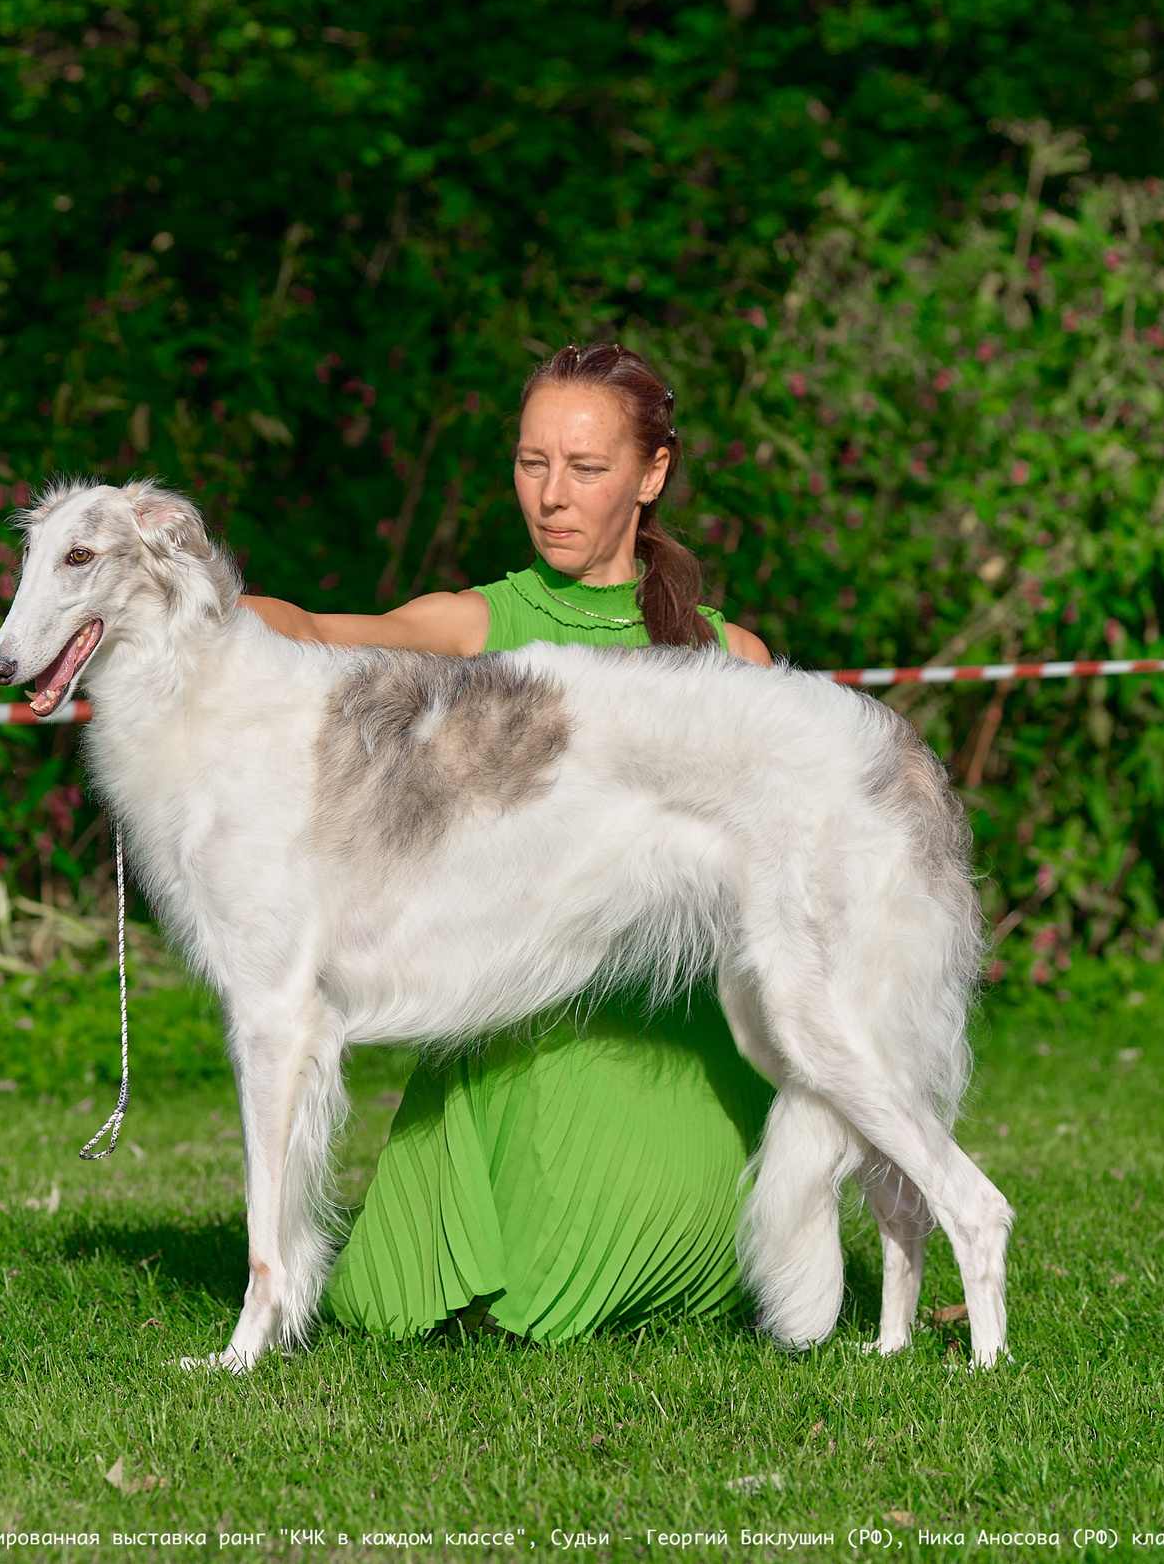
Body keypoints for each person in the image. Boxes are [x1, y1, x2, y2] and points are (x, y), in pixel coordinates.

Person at [240, 342, 780, 1343]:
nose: (551, 495)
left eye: (586, 467)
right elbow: (310, 631)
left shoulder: (725, 656)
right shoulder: (475, 623)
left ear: (651, 475)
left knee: (557, 1290)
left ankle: (682, 1210)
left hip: (664, 1046)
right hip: (499, 1031)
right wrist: (197, 606)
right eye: (532, 463)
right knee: (376, 1307)